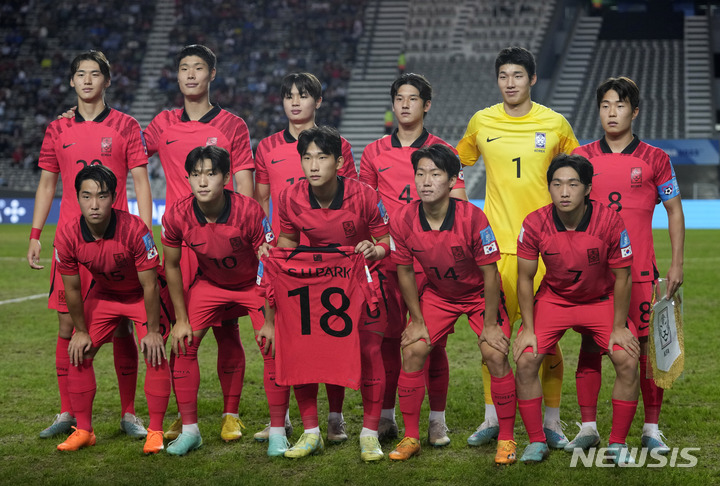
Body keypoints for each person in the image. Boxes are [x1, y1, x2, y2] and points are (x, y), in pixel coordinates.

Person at [27, 50, 153, 440]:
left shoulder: (126, 125)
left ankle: (129, 413)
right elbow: (47, 184)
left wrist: (146, 232)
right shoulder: (57, 128)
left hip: (118, 242)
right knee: (68, 324)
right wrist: (35, 234)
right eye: (80, 74)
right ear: (71, 81)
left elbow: (140, 180)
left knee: (122, 325)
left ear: (106, 81)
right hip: (71, 242)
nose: (86, 80)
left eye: (94, 74)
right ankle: (69, 411)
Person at [456, 46, 578, 448]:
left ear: (532, 79)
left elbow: (577, 175)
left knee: (546, 341)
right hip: (494, 252)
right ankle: (492, 418)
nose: (510, 83)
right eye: (504, 76)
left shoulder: (555, 124)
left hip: (544, 251)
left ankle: (552, 423)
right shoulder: (482, 120)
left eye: (518, 76)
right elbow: (455, 165)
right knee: (492, 340)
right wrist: (462, 211)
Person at [257, 125, 390, 461]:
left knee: (370, 351)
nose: (313, 165)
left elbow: (387, 240)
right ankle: (311, 432)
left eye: (321, 157)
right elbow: (288, 240)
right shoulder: (290, 197)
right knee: (303, 349)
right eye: (307, 158)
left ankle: (370, 434)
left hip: (360, 280)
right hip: (316, 283)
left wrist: (374, 249)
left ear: (339, 162)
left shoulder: (365, 195)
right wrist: (275, 252)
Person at [144, 44, 256, 442]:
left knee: (228, 332)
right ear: (176, 76)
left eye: (198, 68)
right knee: (179, 332)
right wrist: (80, 114)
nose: (191, 74)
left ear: (212, 75)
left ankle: (231, 414)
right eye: (184, 68)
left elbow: (244, 183)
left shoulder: (232, 125)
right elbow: (125, 150)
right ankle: (183, 414)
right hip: (178, 243)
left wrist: (242, 237)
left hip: (222, 243)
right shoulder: (161, 124)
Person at [569, 77, 685, 454]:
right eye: (605, 105)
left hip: (641, 274)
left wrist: (677, 263)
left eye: (619, 105)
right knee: (591, 345)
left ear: (634, 112)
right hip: (596, 274)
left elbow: (674, 210)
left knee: (648, 349)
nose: (612, 112)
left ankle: (651, 429)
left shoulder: (656, 158)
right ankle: (588, 427)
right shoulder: (581, 157)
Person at [386, 144, 516, 464]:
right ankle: (411, 437)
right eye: (420, 174)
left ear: (452, 180)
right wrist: (417, 320)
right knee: (413, 349)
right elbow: (405, 271)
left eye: (435, 174)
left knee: (494, 353)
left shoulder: (472, 217)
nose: (426, 181)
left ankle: (507, 439)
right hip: (440, 295)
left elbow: (490, 273)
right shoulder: (403, 218)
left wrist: (489, 325)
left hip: (479, 294)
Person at [360, 73, 468, 447]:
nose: (405, 105)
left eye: (413, 98)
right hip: (389, 262)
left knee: (433, 344)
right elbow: (365, 206)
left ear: (427, 105)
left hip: (431, 264)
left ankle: (437, 422)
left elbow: (460, 205)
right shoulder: (373, 152)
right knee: (391, 341)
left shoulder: (443, 150)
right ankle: (387, 417)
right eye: (399, 98)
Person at [513, 153, 639, 465]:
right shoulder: (534, 223)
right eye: (557, 184)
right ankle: (536, 441)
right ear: (549, 188)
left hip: (600, 300)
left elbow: (623, 276)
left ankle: (618, 443)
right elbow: (525, 278)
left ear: (588, 188)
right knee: (526, 359)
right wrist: (527, 329)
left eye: (572, 184)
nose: (564, 192)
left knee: (626, 359)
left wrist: (619, 327)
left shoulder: (609, 221)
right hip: (555, 299)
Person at [253, 72, 357, 443]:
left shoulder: (338, 145)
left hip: (330, 261)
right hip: (288, 259)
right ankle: (281, 420)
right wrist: (269, 244)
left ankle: (335, 418)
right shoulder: (266, 147)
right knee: (285, 338)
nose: (295, 102)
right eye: (289, 96)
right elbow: (261, 200)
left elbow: (351, 195)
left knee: (333, 336)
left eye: (303, 94)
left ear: (318, 101)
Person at [161, 145, 271, 456]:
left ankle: (251, 419)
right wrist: (181, 320)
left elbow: (269, 261)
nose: (203, 181)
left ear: (225, 177)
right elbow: (171, 265)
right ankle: (189, 428)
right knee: (183, 343)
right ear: (187, 178)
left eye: (211, 174)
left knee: (271, 343)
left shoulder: (249, 211)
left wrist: (272, 319)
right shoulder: (177, 214)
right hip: (210, 284)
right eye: (196, 175)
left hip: (252, 285)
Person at [54, 165, 169, 454]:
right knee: (80, 350)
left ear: (114, 198)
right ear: (77, 198)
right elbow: (72, 289)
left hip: (140, 295)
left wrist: (153, 331)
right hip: (105, 294)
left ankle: (155, 431)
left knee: (154, 350)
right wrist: (81, 331)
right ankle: (84, 430)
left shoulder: (135, 230)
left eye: (102, 196)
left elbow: (150, 285)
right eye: (87, 196)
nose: (94, 204)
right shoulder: (67, 235)